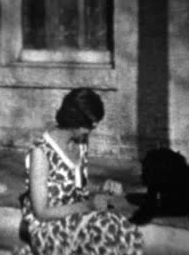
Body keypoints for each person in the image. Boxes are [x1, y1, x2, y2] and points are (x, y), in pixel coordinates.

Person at [14, 88, 143, 255]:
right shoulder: (41, 153)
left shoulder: (80, 142)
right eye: (89, 125)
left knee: (124, 229)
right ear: (74, 120)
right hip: (48, 227)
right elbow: (41, 213)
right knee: (104, 232)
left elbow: (76, 189)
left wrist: (102, 189)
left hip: (76, 216)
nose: (92, 130)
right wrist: (88, 205)